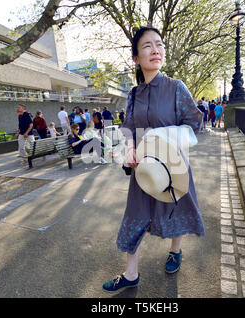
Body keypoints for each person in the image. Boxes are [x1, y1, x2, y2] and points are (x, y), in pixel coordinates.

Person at [102, 26, 204, 293]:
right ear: (136, 57)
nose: (155, 50)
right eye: (147, 45)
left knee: (176, 207)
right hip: (143, 169)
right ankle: (131, 274)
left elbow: (194, 124)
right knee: (134, 217)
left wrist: (164, 137)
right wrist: (130, 146)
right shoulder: (134, 94)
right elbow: (127, 127)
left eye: (159, 44)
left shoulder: (176, 88)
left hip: (173, 168)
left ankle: (175, 250)